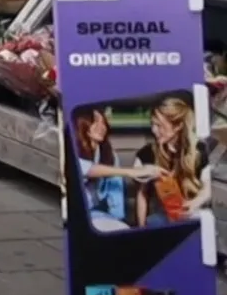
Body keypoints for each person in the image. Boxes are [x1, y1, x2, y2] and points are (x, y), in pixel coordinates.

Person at [72, 108, 158, 231]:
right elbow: (86, 169)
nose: (101, 127)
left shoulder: (109, 155)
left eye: (103, 122)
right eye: (95, 121)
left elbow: (115, 189)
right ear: (82, 123)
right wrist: (132, 172)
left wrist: (117, 218)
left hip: (96, 213)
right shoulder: (73, 149)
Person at [134, 94, 211, 227]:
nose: (154, 130)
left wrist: (194, 203)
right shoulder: (147, 154)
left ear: (178, 126)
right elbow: (142, 194)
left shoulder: (201, 151)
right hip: (163, 217)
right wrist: (141, 230)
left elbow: (208, 187)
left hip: (194, 214)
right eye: (152, 124)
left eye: (159, 125)